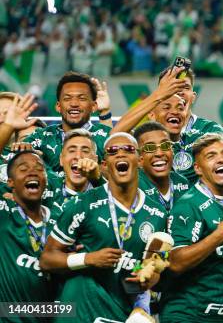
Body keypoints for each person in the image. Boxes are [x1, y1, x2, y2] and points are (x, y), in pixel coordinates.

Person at [40, 133, 168, 322]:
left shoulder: (157, 213)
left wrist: (147, 277)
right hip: (80, 312)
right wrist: (89, 258)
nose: (120, 154)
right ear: (105, 164)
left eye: (129, 149)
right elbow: (47, 259)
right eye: (112, 151)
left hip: (121, 313)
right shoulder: (82, 203)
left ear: (140, 160)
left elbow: (152, 269)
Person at [160, 134, 223, 322]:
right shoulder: (189, 205)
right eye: (211, 156)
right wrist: (219, 236)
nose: (221, 159)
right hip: (188, 314)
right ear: (197, 168)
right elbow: (175, 262)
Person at [0, 151, 54, 322]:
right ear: (10, 182)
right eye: (23, 169)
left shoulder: (60, 219)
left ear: (46, 179)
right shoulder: (3, 212)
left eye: (39, 169)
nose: (32, 172)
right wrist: (7, 127)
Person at [24, 72, 112, 172]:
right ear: (58, 106)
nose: (74, 104)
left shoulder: (106, 136)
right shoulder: (41, 136)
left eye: (82, 98)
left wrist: (105, 112)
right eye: (67, 98)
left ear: (93, 106)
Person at [42, 129, 101, 219]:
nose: (78, 156)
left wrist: (97, 177)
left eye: (85, 151)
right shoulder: (46, 189)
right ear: (61, 159)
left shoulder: (107, 193)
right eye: (72, 151)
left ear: (95, 160)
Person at [133, 122, 190, 213]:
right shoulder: (133, 185)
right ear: (139, 159)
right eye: (149, 148)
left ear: (173, 152)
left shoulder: (182, 182)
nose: (159, 153)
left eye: (165, 145)